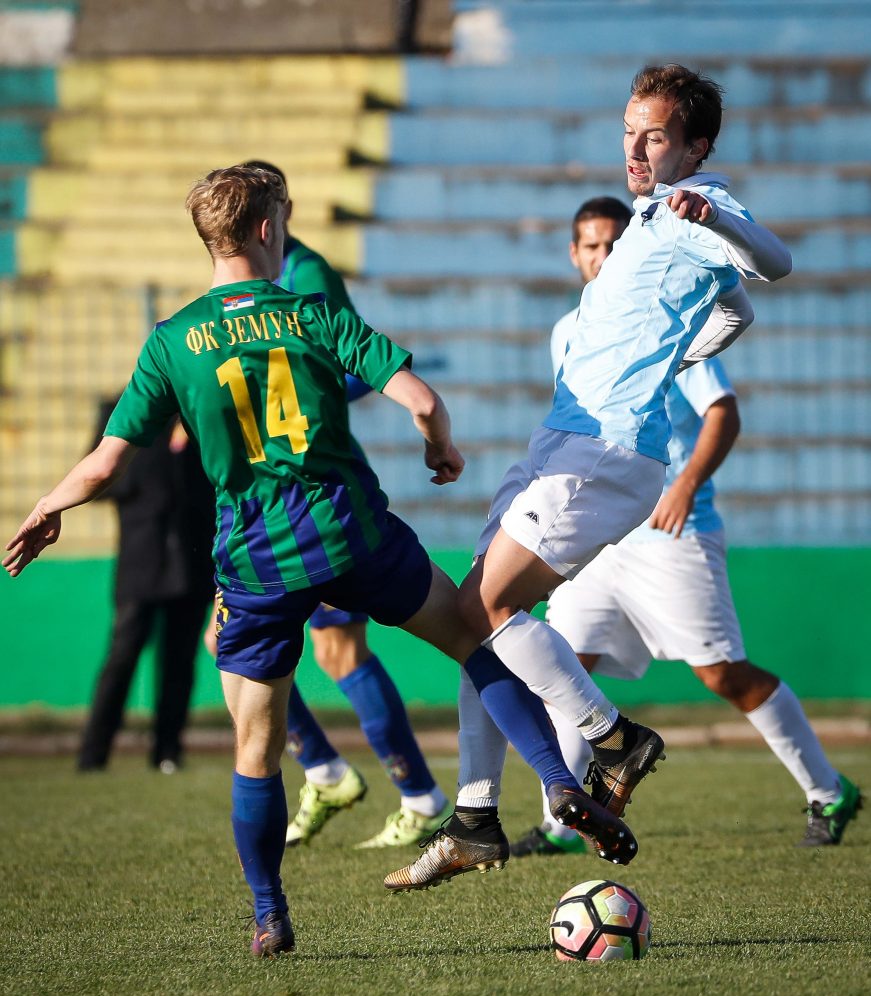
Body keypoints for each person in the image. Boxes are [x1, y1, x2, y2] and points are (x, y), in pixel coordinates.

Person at [4, 165, 632, 957]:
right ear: (270, 229)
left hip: (256, 560)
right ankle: (560, 781)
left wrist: (48, 506)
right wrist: (440, 450)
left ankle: (269, 914)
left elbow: (103, 464)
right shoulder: (311, 313)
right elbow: (422, 401)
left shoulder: (171, 340)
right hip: (350, 533)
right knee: (473, 639)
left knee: (256, 748)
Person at [385, 63, 794, 892]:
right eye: (629, 132)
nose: (636, 150)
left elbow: (774, 264)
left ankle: (614, 740)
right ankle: (474, 816)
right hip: (561, 440)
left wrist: (714, 217)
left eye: (655, 137)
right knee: (471, 618)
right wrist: (689, 344)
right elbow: (735, 308)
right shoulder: (650, 216)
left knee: (487, 610)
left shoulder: (697, 203)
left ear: (696, 147)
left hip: (605, 451)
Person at [512, 200, 862, 857]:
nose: (602, 256)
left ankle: (827, 789)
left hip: (668, 531)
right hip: (597, 529)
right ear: (574, 255)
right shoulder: (566, 331)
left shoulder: (664, 314)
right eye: (590, 246)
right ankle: (563, 821)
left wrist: (685, 484)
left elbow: (722, 410)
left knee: (722, 674)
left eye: (613, 243)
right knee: (561, 660)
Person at [242, 160, 451, 851]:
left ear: (281, 211)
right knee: (297, 649)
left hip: (313, 490)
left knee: (338, 650)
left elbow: (353, 365)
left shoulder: (306, 274)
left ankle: (408, 791)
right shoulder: (250, 283)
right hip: (274, 492)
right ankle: (341, 774)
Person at [78, 404, 214, 773]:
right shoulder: (123, 409)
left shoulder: (201, 407)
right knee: (122, 656)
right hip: (141, 557)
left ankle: (168, 751)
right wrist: (156, 466)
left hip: (192, 559)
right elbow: (98, 477)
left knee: (179, 662)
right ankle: (93, 753)